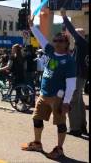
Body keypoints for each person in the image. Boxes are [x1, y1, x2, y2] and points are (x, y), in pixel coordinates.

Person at [21, 16, 76, 159]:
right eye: (55, 40)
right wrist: (32, 26)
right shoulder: (51, 51)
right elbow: (41, 39)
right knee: (36, 118)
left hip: (57, 97)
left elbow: (71, 84)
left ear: (66, 43)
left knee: (60, 123)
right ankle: (37, 143)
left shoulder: (69, 61)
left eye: (61, 41)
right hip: (43, 94)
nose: (57, 43)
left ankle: (59, 149)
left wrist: (66, 102)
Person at [61, 8, 89, 136]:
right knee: (79, 101)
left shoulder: (82, 43)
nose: (73, 38)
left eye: (75, 36)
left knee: (73, 101)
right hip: (82, 76)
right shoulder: (83, 46)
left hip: (78, 76)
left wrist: (64, 17)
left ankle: (75, 129)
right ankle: (82, 126)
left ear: (80, 36)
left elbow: (72, 30)